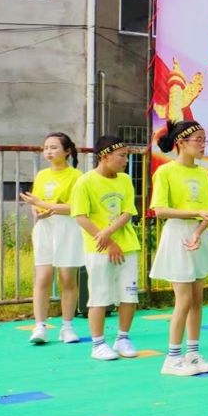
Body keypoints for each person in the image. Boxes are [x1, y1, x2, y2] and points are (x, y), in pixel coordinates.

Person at [148, 119, 208, 376]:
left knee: (196, 299)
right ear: (181, 142)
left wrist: (198, 231)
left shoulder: (203, 173)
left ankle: (193, 353)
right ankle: (172, 359)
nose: (203, 145)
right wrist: (195, 214)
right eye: (199, 140)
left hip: (197, 236)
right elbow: (160, 210)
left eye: (205, 140)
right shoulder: (165, 172)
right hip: (176, 235)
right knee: (183, 299)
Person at [70, 135, 141, 361]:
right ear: (105, 156)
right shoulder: (85, 182)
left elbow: (128, 211)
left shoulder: (125, 180)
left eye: (127, 156)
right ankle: (98, 344)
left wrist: (109, 232)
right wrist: (107, 241)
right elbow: (80, 216)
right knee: (99, 296)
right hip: (98, 248)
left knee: (129, 295)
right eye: (122, 156)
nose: (125, 160)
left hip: (127, 245)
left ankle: (122, 338)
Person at [19, 132, 83, 345]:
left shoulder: (76, 177)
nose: (48, 151)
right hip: (45, 228)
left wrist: (46, 206)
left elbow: (76, 207)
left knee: (67, 278)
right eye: (46, 147)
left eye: (54, 147)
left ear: (67, 151)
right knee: (43, 277)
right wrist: (37, 212)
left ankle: (67, 326)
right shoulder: (42, 175)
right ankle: (40, 327)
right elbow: (36, 203)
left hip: (67, 228)